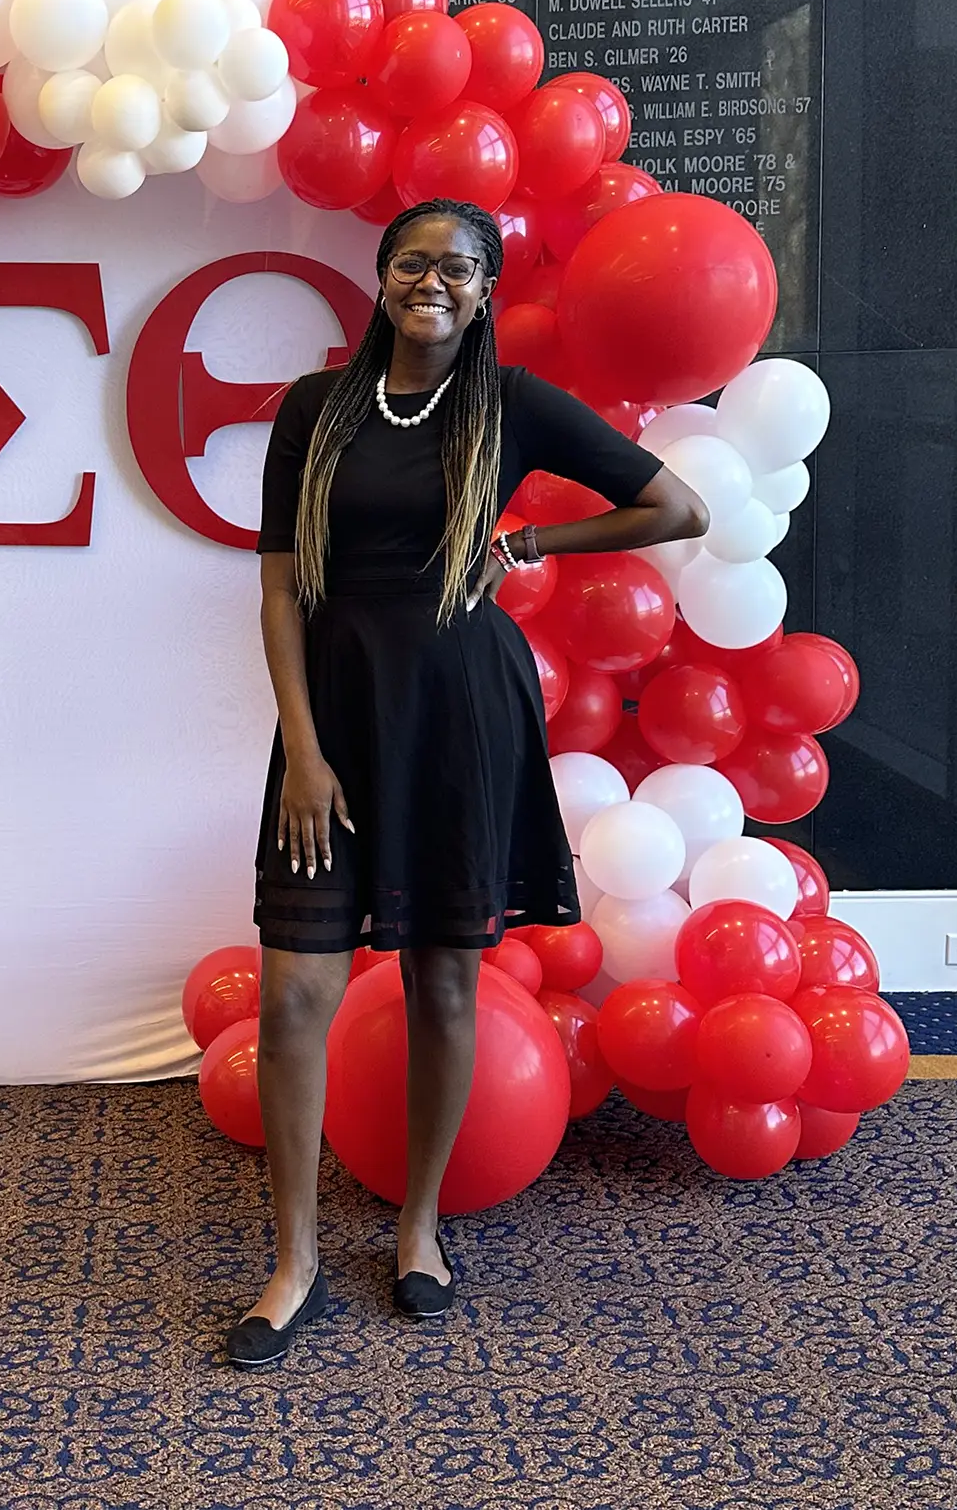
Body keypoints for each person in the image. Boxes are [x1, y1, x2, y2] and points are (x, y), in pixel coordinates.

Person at [226, 198, 709, 1368]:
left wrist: (535, 545)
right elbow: (282, 588)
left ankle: (418, 1230)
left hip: (461, 719)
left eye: (456, 266)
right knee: (295, 996)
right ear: (381, 278)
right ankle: (292, 1262)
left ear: (484, 289)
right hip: (334, 717)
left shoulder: (508, 406)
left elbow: (675, 507)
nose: (429, 280)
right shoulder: (316, 410)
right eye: (410, 261)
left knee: (445, 985)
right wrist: (300, 750)